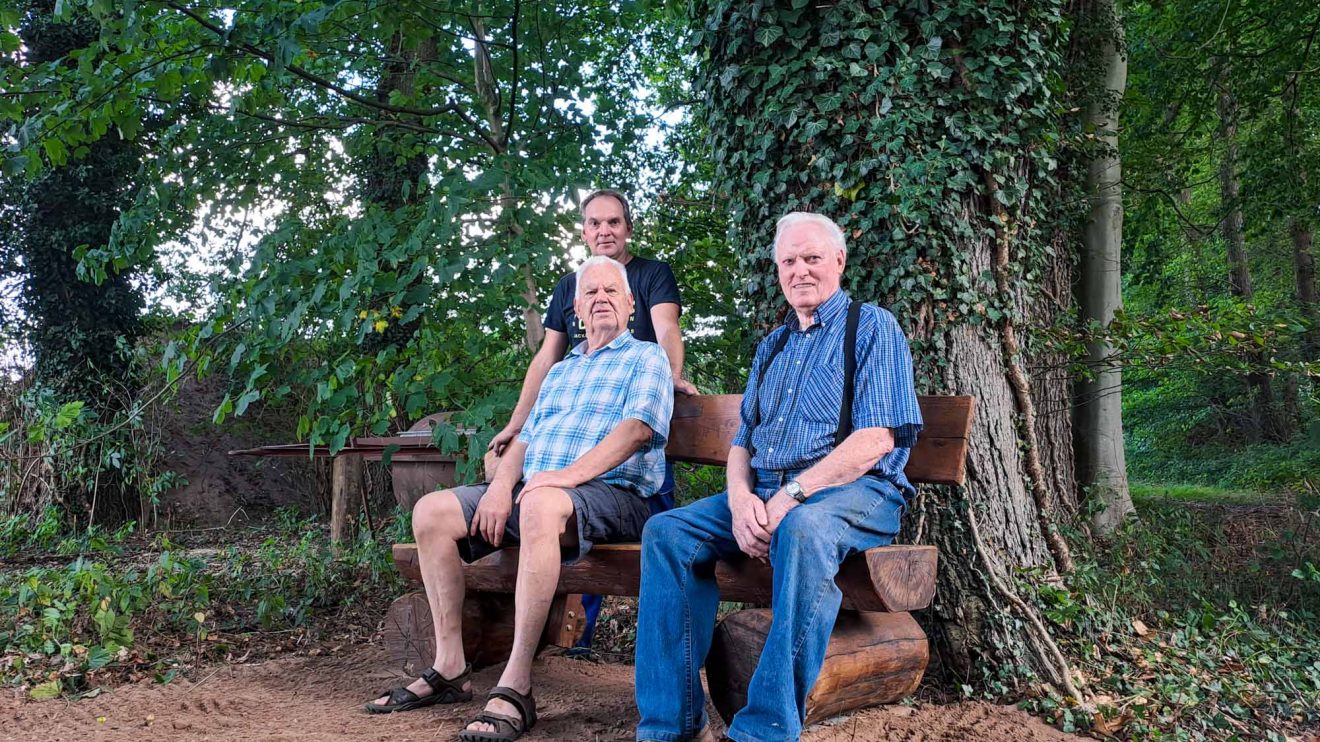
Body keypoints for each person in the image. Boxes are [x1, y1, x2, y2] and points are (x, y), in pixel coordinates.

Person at [633, 213, 924, 742]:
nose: (800, 270)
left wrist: (790, 496)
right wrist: (741, 499)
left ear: (838, 260)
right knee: (667, 533)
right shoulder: (773, 347)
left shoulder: (873, 326)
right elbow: (742, 442)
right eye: (788, 261)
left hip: (857, 492)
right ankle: (669, 725)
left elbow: (877, 440)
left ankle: (764, 729)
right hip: (767, 492)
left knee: (804, 530)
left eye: (811, 257)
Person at [366, 256, 674, 742]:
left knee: (539, 503)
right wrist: (498, 488)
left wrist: (558, 480)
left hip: (614, 497)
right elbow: (525, 441)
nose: (601, 300)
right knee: (432, 511)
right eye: (591, 293)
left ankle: (517, 685)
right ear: (575, 308)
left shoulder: (645, 359)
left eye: (612, 292)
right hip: (539, 494)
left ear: (632, 304)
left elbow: (636, 431)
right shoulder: (561, 371)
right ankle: (450, 667)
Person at [485, 188, 695, 649]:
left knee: (652, 539)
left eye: (614, 222)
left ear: (628, 228)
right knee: (562, 511)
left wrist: (668, 379)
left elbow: (667, 329)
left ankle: (662, 644)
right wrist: (517, 425)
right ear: (583, 232)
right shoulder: (571, 284)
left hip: (634, 425)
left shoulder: (651, 274)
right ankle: (575, 641)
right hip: (578, 438)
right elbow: (546, 358)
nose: (605, 231)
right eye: (595, 223)